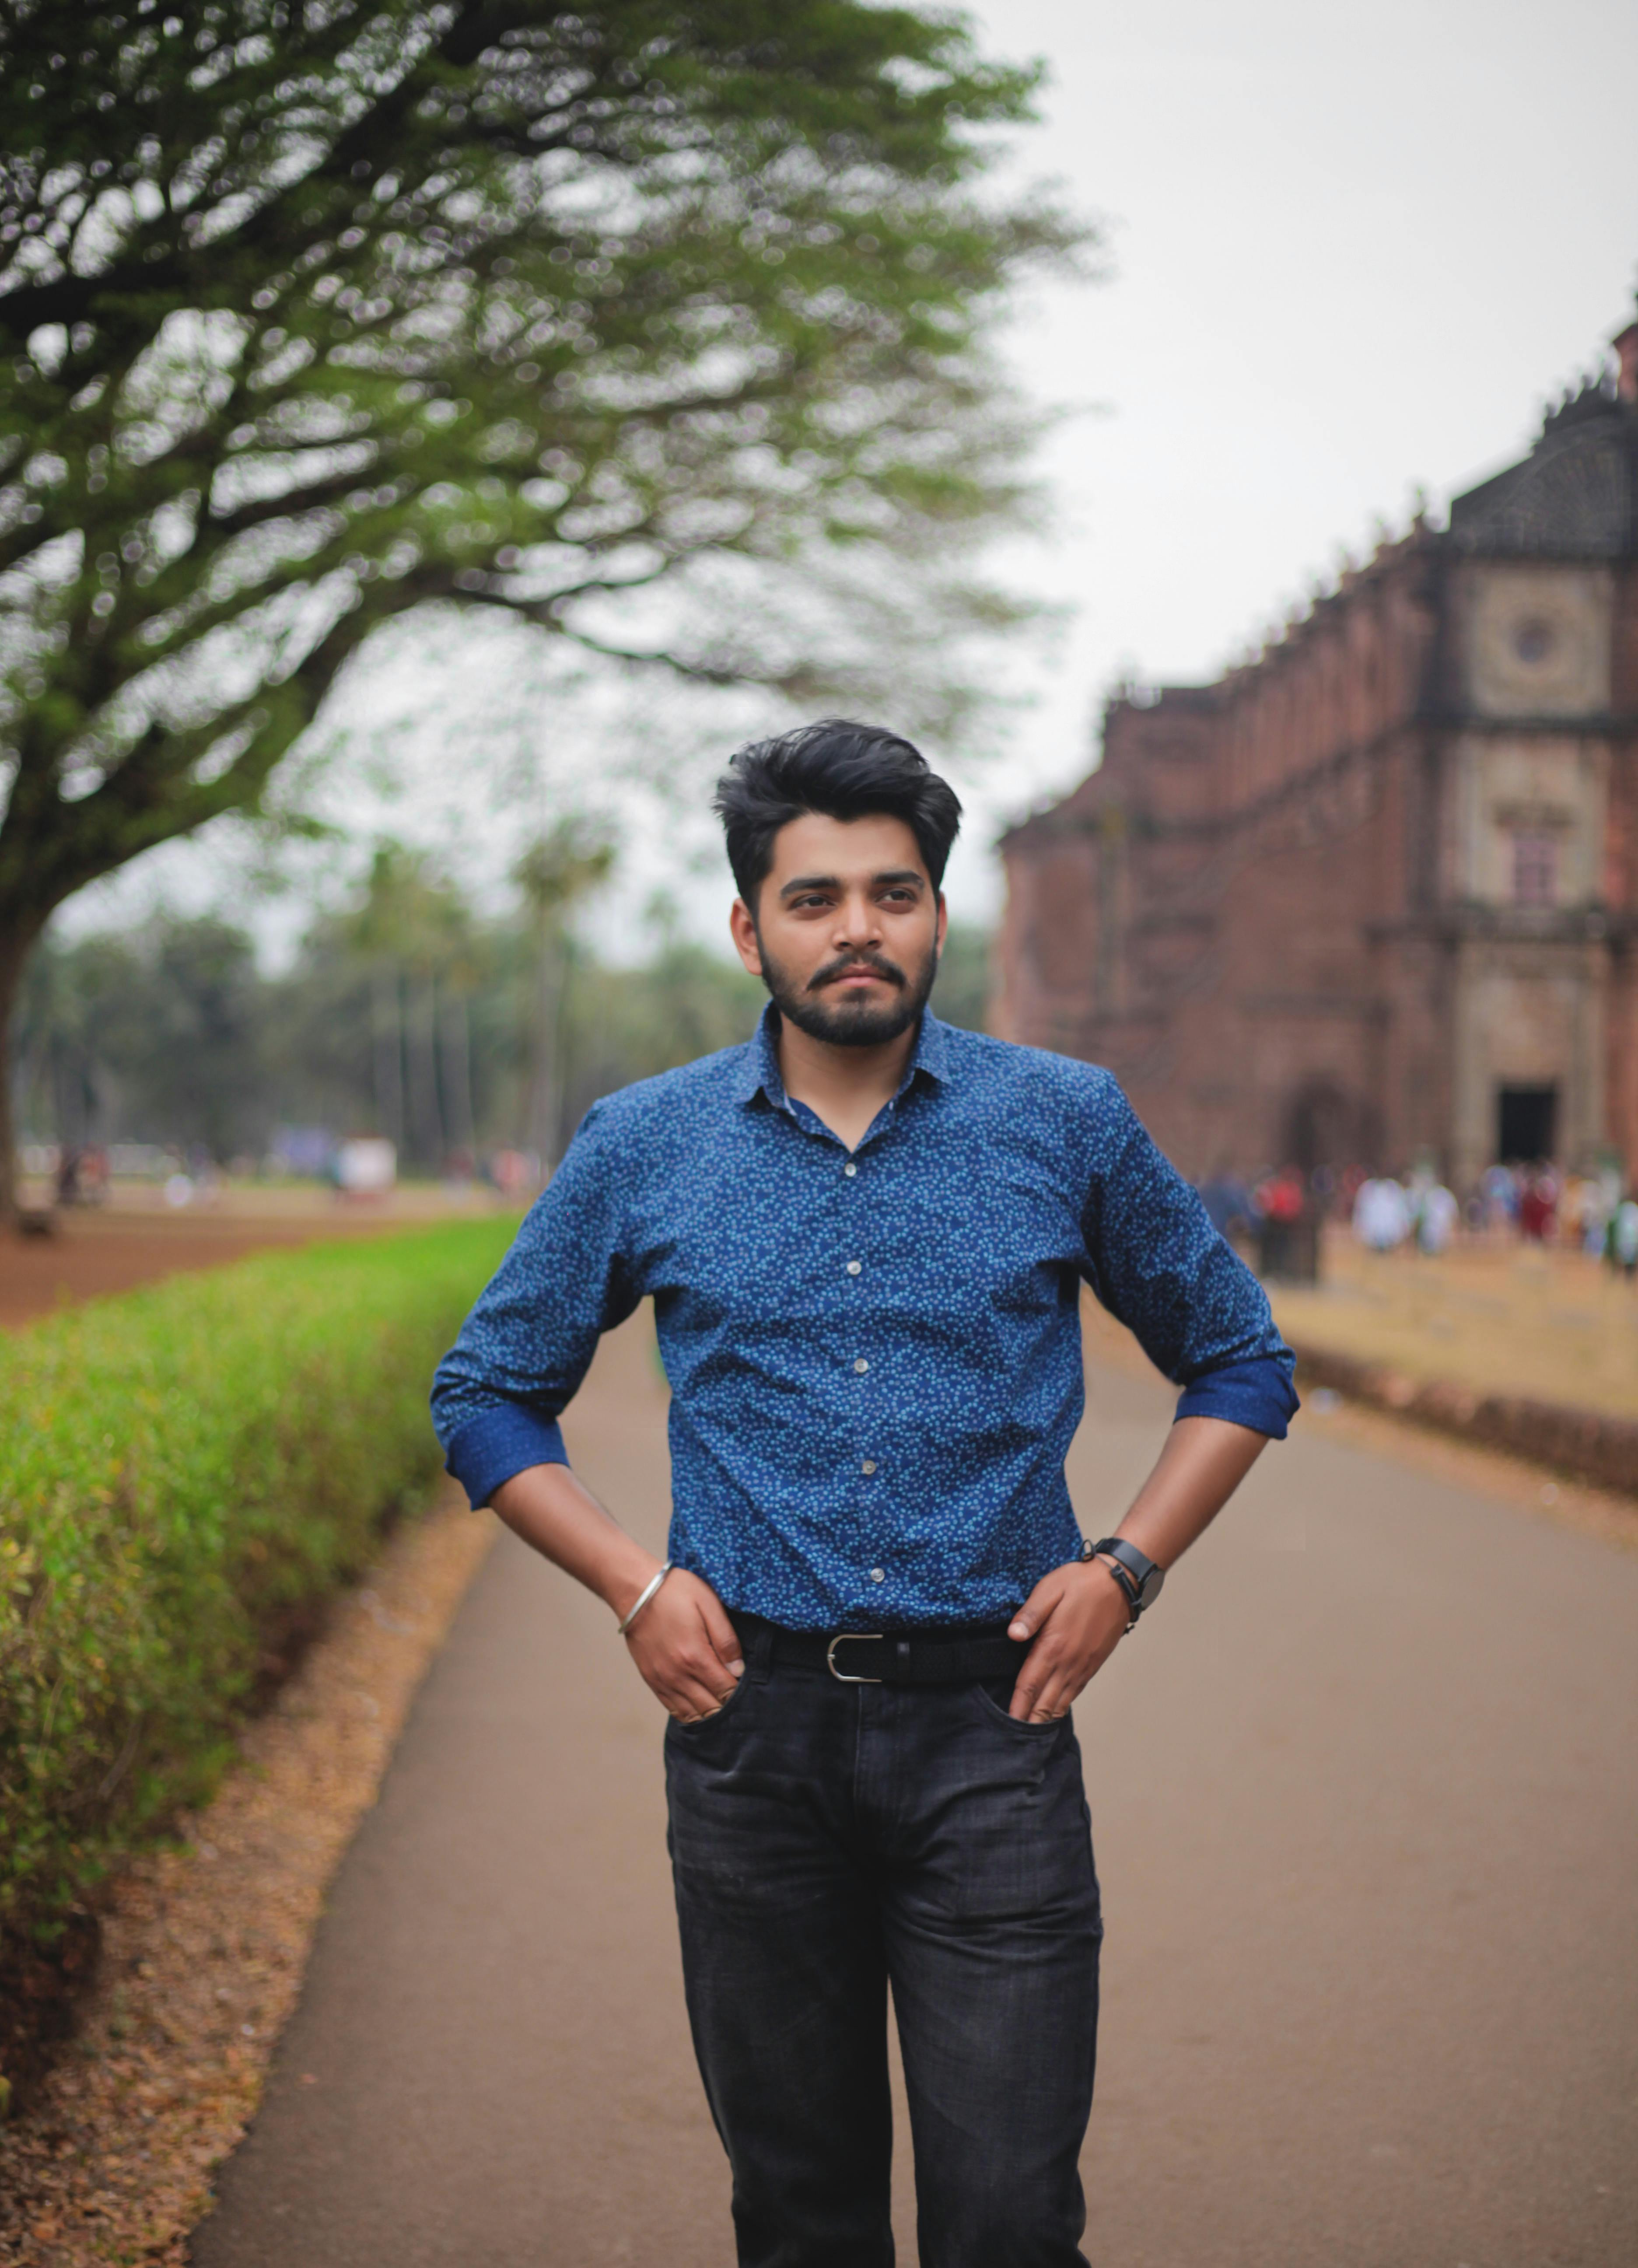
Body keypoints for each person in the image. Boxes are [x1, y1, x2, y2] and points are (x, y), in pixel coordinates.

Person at [430, 721, 1298, 2268]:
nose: (858, 931)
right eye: (816, 898)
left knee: (1010, 2225)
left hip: (995, 1740)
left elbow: (1240, 1361)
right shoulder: (648, 1145)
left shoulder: (1064, 1121)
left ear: (942, 918)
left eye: (894, 895)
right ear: (749, 927)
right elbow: (486, 1393)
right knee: (803, 2218)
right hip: (750, 1746)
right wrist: (634, 1586)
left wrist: (1127, 1571)